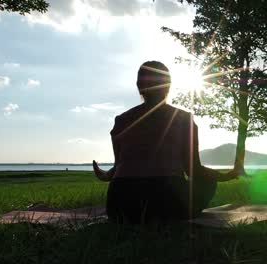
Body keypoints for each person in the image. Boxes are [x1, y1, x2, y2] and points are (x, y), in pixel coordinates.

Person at [93, 61, 240, 224]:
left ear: (138, 86)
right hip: (168, 205)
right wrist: (225, 176)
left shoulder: (120, 121)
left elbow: (117, 167)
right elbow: (194, 171)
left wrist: (105, 174)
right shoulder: (184, 119)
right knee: (207, 181)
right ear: (168, 86)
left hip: (120, 207)